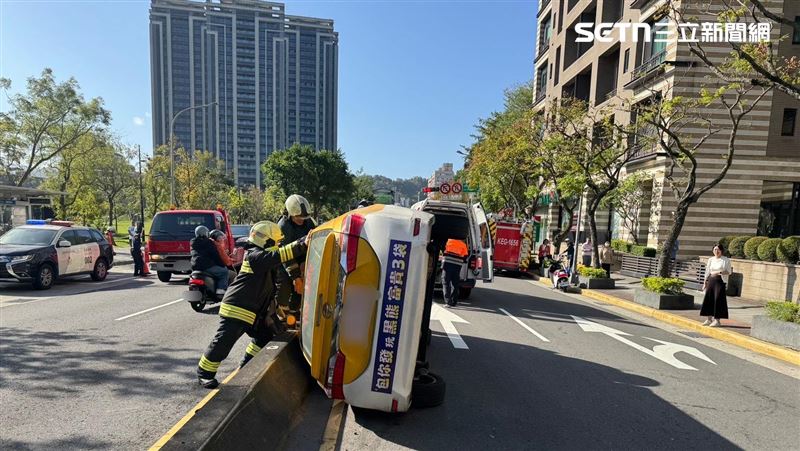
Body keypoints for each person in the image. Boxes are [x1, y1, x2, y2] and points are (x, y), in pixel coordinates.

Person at [197, 221, 308, 388]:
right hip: (237, 308)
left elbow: (270, 287)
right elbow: (278, 255)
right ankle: (204, 373)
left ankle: (246, 365)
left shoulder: (262, 259)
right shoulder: (255, 256)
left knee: (265, 337)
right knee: (223, 342)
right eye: (276, 242)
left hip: (254, 311)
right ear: (267, 241)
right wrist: (302, 243)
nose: (278, 245)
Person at [276, 195, 316, 316]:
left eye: (304, 217)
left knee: (301, 291)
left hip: (303, 261)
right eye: (298, 217)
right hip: (285, 263)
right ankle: (282, 315)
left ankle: (295, 313)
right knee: (285, 286)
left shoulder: (309, 223)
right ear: (289, 213)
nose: (301, 220)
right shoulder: (283, 226)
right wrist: (296, 276)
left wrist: (305, 264)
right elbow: (285, 255)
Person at [191, 226, 229, 295]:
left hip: (195, 266)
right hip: (207, 266)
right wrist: (222, 264)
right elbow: (215, 255)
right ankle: (221, 289)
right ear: (206, 233)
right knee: (224, 272)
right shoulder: (209, 242)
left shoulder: (193, 243)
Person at [701, 244, 732, 327]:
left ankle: (717, 320)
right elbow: (707, 271)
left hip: (720, 281)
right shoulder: (711, 259)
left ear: (721, 251)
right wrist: (705, 282)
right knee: (709, 299)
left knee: (718, 299)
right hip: (711, 281)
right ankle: (708, 319)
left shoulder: (725, 260)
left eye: (718, 250)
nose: (716, 251)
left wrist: (719, 272)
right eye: (715, 249)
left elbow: (729, 272)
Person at [442, 238, 468, 307]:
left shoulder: (448, 241)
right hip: (457, 265)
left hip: (447, 263)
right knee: (455, 283)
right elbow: (465, 257)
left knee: (446, 282)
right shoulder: (463, 245)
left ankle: (448, 302)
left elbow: (442, 250)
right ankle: (454, 301)